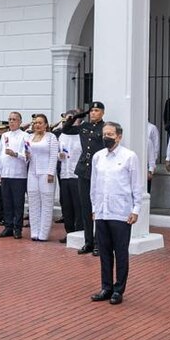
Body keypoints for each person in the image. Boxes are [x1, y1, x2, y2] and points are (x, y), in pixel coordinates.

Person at [89, 121, 142, 306]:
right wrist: (94, 208)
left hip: (121, 212)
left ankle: (119, 290)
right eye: (105, 134)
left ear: (119, 136)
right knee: (104, 252)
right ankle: (106, 287)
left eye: (110, 134)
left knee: (120, 252)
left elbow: (136, 185)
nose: (106, 138)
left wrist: (136, 209)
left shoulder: (129, 156)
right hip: (102, 212)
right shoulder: (98, 157)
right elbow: (94, 185)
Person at [61, 101, 107, 255]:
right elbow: (66, 129)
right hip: (83, 170)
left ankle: (99, 243)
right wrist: (76, 116)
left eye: (96, 110)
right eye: (91, 111)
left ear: (102, 113)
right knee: (85, 207)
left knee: (98, 208)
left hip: (98, 171)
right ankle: (88, 242)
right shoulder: (84, 126)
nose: (93, 113)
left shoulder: (105, 128)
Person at [25, 114, 59, 242]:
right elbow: (27, 155)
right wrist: (26, 155)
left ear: (45, 125)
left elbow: (53, 155)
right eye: (35, 123)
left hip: (46, 173)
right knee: (33, 201)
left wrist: (51, 173)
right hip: (32, 172)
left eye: (40, 123)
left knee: (46, 202)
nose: (37, 125)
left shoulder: (51, 137)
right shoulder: (29, 137)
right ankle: (34, 232)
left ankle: (44, 233)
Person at [0, 112, 29, 239]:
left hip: (19, 174)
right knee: (7, 202)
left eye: (14, 119)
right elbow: (0, 154)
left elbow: (27, 155)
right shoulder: (4, 135)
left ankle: (17, 228)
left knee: (18, 203)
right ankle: (8, 226)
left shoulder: (25, 136)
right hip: (6, 173)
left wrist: (15, 154)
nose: (11, 122)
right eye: (10, 119)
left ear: (20, 122)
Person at [57, 112, 83, 243]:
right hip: (64, 174)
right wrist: (59, 156)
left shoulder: (82, 134)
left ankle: (79, 232)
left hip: (76, 175)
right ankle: (69, 232)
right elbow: (57, 151)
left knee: (78, 205)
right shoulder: (62, 134)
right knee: (66, 205)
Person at [146, 121, 159, 195]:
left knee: (147, 187)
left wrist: (151, 168)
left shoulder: (152, 128)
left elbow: (155, 146)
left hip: (147, 163)